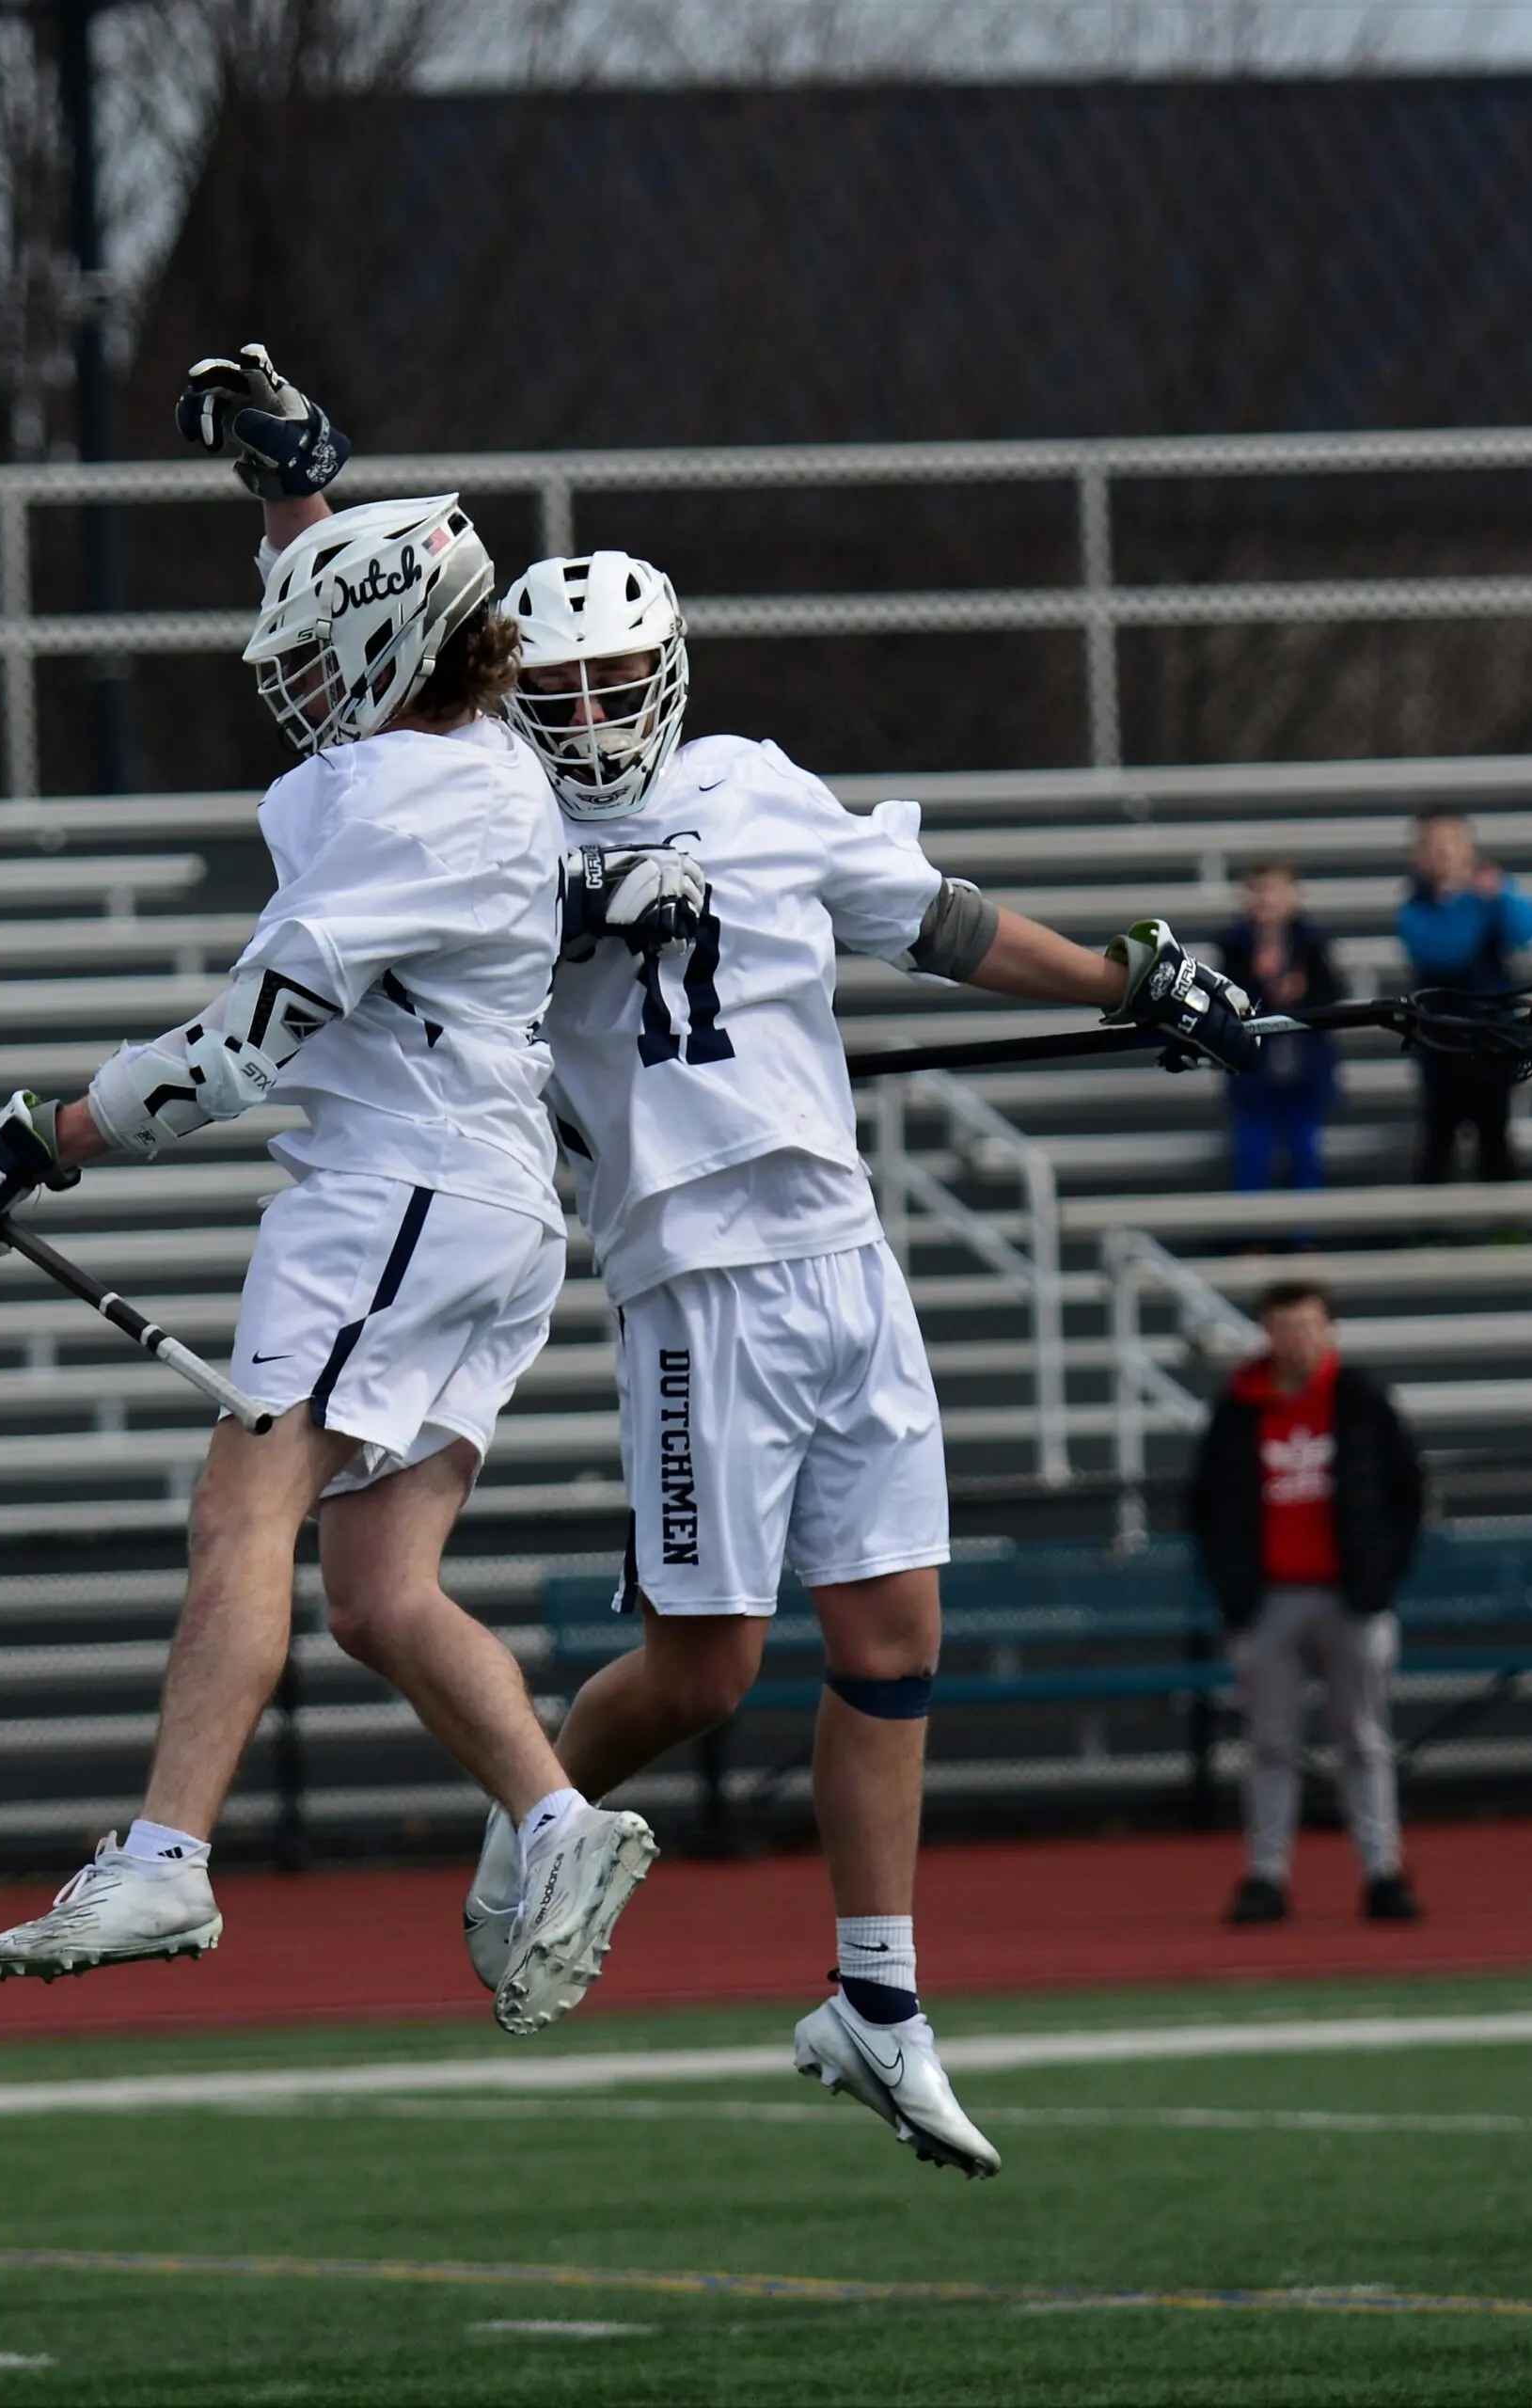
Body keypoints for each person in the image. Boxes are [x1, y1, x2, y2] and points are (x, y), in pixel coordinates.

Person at [456, 544, 1258, 2178]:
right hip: (690, 1275)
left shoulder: (750, 788)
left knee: (896, 1635)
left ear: (670, 675)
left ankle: (875, 2001)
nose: (594, 714)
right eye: (559, 692)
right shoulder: (491, 836)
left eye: (616, 682)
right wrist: (585, 901)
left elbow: (936, 923)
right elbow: (440, 972)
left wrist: (1128, 983)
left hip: (845, 1259)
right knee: (706, 1673)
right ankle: (528, 1824)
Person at [0, 350, 695, 2036]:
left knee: (241, 1515)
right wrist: (297, 486)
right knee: (376, 1594)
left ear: (383, 652)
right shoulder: (476, 735)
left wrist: (38, 1135)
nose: (288, 674)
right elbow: (387, 605)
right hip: (479, 1209)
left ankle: (166, 1851)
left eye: (311, 646)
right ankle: (560, 1822)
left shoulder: (415, 808)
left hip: (395, 1193)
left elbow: (234, 1048)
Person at [1185, 1277, 1425, 1926]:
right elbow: (1207, 1505)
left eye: (1307, 1327)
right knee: (1270, 1744)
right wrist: (1236, 1591)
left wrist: (1381, 1577)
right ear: (1266, 1333)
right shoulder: (1239, 1407)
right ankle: (1267, 1874)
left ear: (1328, 1331)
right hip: (1271, 1602)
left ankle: (1383, 1869)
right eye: (1284, 1328)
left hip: (1350, 1597)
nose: (1296, 1341)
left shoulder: (1360, 1399)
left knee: (1365, 1740)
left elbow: (1409, 1490)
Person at [1397, 811, 1532, 1184]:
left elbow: (1530, 931)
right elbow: (1445, 951)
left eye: (1452, 844)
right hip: (1440, 1044)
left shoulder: (1494, 896)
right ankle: (1430, 1232)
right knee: (1438, 1140)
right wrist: (1469, 903)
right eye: (1433, 846)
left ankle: (1505, 1229)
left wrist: (1504, 895)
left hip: (1494, 1041)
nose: (1444, 854)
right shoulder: (1415, 909)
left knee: (1495, 1139)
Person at [1215, 861, 1343, 1193]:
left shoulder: (1312, 941)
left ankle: (1304, 1237)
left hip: (1305, 1070)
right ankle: (1250, 1238)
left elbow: (1330, 993)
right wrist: (1260, 989)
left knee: (1305, 1153)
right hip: (1254, 1073)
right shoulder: (1234, 945)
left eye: (1274, 890)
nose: (1266, 900)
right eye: (1257, 891)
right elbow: (1225, 1001)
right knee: (1251, 1154)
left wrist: (1300, 994)